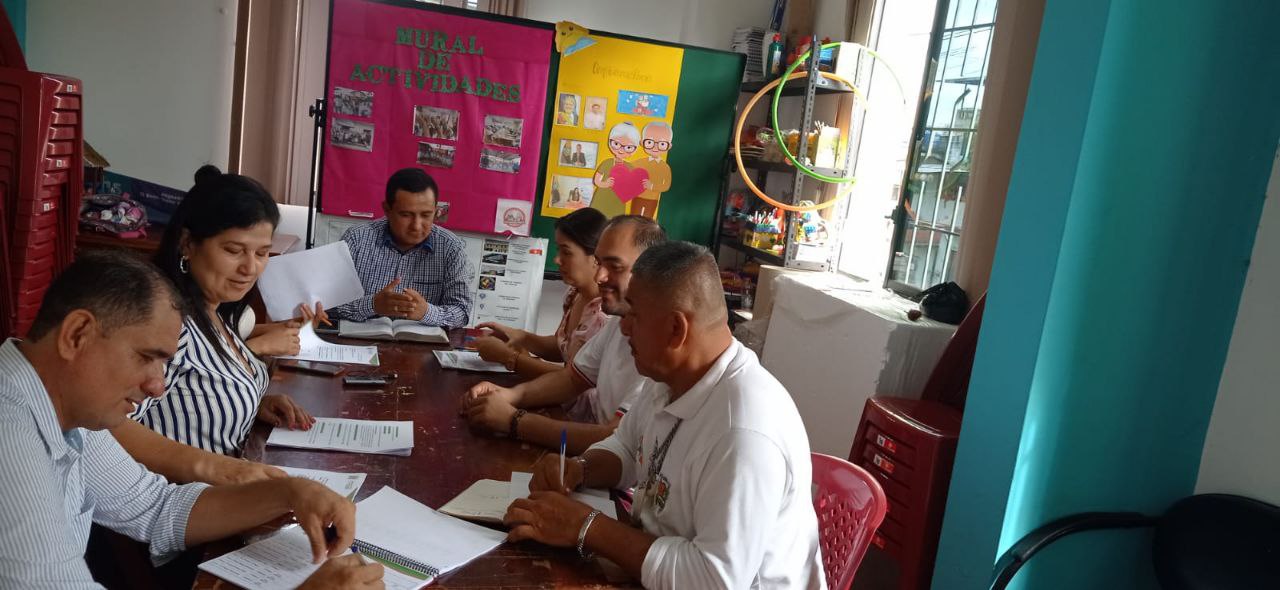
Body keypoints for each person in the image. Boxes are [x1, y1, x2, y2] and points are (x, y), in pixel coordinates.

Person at [0, 251, 383, 588]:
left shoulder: (71, 409)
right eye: (146, 357)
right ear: (77, 335)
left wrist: (289, 493)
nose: (157, 386)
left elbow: (156, 507)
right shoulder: (10, 433)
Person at [505, 241, 825, 589]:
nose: (623, 328)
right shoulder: (670, 378)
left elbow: (715, 580)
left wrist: (587, 527)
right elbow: (627, 447)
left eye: (634, 315)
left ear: (676, 329)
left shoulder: (744, 432)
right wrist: (580, 469)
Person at [126, 167, 319, 469]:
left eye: (262, 253)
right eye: (234, 250)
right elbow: (111, 426)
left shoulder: (216, 311)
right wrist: (219, 470)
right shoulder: (170, 324)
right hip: (184, 493)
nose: (250, 268)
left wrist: (251, 406)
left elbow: (194, 396)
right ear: (188, 243)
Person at [459, 216, 665, 454]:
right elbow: (571, 379)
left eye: (615, 266)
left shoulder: (658, 349)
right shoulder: (619, 320)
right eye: (599, 262)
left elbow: (616, 438)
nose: (599, 277)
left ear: (651, 271)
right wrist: (508, 395)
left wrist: (514, 420)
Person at [473, 208, 609, 421]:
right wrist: (519, 336)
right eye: (558, 250)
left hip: (579, 419)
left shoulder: (604, 316)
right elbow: (562, 346)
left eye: (566, 252)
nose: (557, 259)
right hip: (557, 405)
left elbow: (572, 381)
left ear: (596, 258)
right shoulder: (575, 294)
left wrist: (509, 357)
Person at [330, 168, 472, 328]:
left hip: (421, 343)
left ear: (436, 211)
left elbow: (462, 311)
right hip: (359, 341)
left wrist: (426, 312)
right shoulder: (356, 239)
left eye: (426, 215)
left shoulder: (450, 247)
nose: (416, 226)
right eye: (406, 215)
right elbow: (327, 305)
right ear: (387, 209)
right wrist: (372, 305)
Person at [592, 122, 642, 218]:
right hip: (602, 197)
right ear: (610, 142)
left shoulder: (630, 167)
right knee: (597, 219)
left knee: (615, 221)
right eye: (616, 144)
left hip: (617, 200)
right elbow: (596, 180)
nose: (621, 150)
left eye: (628, 147)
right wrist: (605, 184)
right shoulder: (607, 163)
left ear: (634, 149)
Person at [632, 122, 674, 219]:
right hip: (637, 196)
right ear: (642, 143)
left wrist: (652, 186)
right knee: (633, 218)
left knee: (647, 220)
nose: (655, 147)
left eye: (662, 144)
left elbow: (666, 186)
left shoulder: (665, 167)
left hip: (652, 199)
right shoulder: (639, 162)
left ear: (669, 146)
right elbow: (628, 169)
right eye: (650, 142)